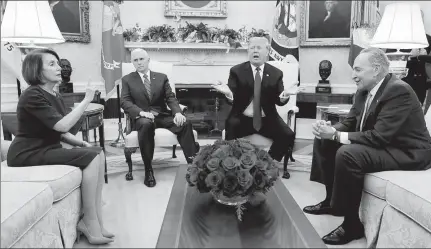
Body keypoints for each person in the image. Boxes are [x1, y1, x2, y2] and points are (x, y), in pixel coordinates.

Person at [304, 47, 431, 245]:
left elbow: (379, 137)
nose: (353, 76)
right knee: (325, 139)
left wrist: (336, 135)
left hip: (409, 152)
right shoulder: (363, 91)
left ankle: (351, 225)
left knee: (348, 153)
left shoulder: (398, 90)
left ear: (375, 70)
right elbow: (349, 122)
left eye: (358, 70)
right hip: (386, 144)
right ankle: (329, 201)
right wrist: (329, 129)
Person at [6, 49, 114, 245]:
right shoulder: (32, 95)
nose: (59, 68)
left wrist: (82, 142)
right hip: (26, 153)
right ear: (37, 71)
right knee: (92, 156)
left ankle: (96, 219)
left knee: (98, 153)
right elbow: (62, 125)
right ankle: (89, 222)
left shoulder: (53, 94)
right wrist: (86, 101)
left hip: (47, 148)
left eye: (58, 63)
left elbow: (64, 131)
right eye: (52, 64)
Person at [212, 36, 303, 162]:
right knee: (231, 128)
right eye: (252, 48)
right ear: (248, 51)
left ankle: (268, 162)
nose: (255, 51)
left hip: (267, 119)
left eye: (259, 48)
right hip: (241, 118)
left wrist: (285, 95)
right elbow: (232, 95)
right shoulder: (236, 71)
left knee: (288, 135)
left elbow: (279, 100)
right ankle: (232, 164)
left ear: (267, 52)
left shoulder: (276, 73)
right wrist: (228, 93)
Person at [121, 48, 199, 188]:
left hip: (162, 116)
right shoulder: (127, 79)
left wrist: (177, 113)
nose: (139, 63)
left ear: (148, 60)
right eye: (135, 60)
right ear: (132, 62)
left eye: (141, 59)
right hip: (142, 118)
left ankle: (194, 168)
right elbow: (125, 102)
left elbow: (170, 98)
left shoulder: (161, 77)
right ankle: (148, 170)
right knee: (146, 125)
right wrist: (141, 112)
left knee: (185, 123)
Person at [386, 10, 431, 104]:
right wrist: (409, 57)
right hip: (402, 82)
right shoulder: (396, 39)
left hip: (422, 84)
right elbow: (390, 62)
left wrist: (426, 57)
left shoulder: (429, 39)